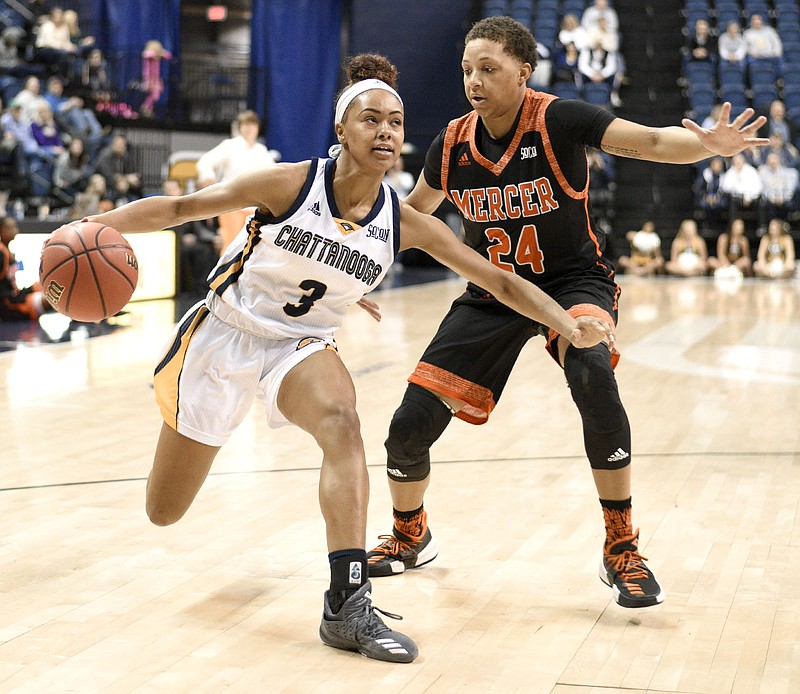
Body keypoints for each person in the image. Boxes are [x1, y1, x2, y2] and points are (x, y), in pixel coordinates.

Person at [74, 53, 612, 662]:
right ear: (342, 130)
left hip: (298, 348)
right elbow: (177, 210)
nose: (386, 132)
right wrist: (88, 227)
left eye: (396, 122)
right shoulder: (287, 184)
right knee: (163, 511)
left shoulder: (403, 222)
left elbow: (501, 281)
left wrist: (567, 322)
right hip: (224, 335)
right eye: (371, 120)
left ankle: (346, 603)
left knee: (343, 422)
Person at [365, 16, 768, 610]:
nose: (474, 81)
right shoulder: (451, 144)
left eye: (489, 69)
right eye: (467, 70)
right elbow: (407, 221)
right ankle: (409, 533)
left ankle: (621, 546)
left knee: (591, 370)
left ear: (524, 71)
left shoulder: (560, 119)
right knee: (407, 429)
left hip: (571, 280)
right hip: (493, 291)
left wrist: (706, 146)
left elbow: (651, 142)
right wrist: (357, 268)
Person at [196, 109, 279, 252]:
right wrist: (209, 177)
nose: (249, 129)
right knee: (231, 246)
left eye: (252, 125)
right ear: (240, 128)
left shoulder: (262, 151)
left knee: (253, 248)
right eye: (245, 125)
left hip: (255, 207)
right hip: (232, 205)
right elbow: (204, 162)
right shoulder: (230, 145)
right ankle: (227, 274)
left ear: (257, 128)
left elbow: (275, 176)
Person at [161, 177, 220, 295]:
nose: (171, 192)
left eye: (173, 189)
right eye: (168, 190)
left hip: (196, 238)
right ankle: (199, 287)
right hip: (173, 240)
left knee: (209, 248)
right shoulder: (164, 206)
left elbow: (199, 228)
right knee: (203, 250)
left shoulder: (189, 204)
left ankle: (209, 284)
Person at [0, 215, 50, 321]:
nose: (15, 231)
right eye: (9, 228)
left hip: (15, 294)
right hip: (7, 303)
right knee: (49, 298)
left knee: (45, 285)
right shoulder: (1, 253)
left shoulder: (8, 251)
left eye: (15, 227)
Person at [694, 155, 729, 232]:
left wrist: (718, 197)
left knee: (720, 204)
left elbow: (726, 189)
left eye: (719, 165)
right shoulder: (705, 174)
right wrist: (706, 196)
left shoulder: (724, 176)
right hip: (706, 197)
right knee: (705, 204)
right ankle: (708, 225)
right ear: (711, 165)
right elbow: (697, 188)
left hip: (720, 198)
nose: (718, 166)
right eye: (715, 164)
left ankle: (718, 226)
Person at [139, 39, 172, 118]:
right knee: (153, 94)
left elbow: (169, 55)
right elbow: (146, 54)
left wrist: (160, 53)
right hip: (149, 79)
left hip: (155, 79)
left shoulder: (157, 55)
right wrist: (156, 53)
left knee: (155, 95)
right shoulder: (148, 55)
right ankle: (146, 107)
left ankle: (148, 109)